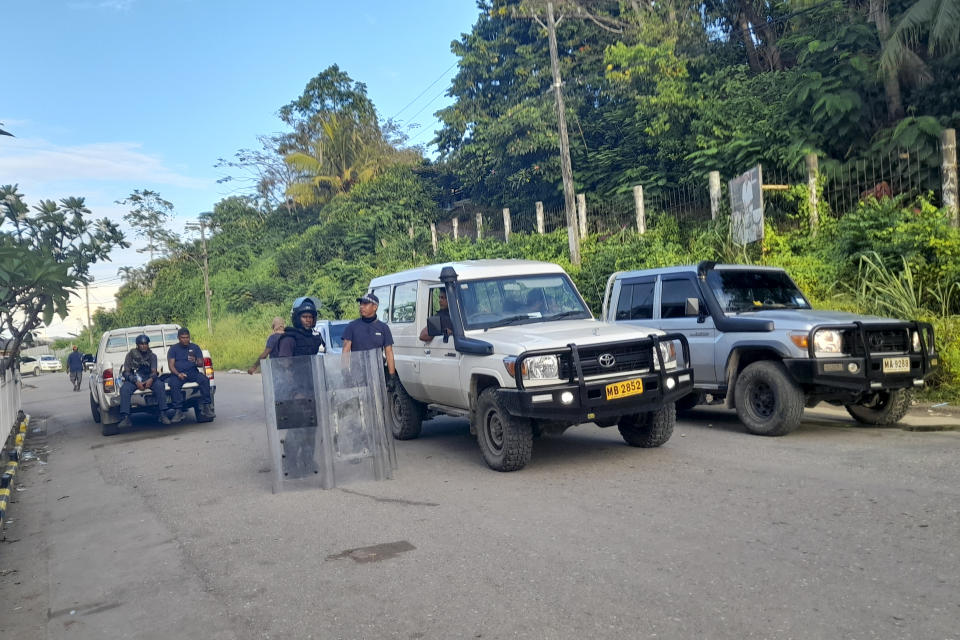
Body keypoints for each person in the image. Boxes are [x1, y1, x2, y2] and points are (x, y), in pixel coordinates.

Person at [273, 297, 326, 478]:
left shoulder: (312, 338)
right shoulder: (289, 339)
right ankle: (291, 463)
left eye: (311, 317)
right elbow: (284, 366)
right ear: (297, 318)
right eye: (304, 316)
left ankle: (307, 461)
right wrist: (295, 392)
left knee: (311, 428)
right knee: (296, 430)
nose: (308, 320)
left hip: (311, 388)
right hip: (294, 392)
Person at [341, 293, 397, 390]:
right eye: (361, 304)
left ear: (375, 307)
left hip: (378, 374)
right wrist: (345, 373)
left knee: (379, 403)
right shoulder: (352, 326)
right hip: (358, 375)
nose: (361, 307)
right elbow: (345, 351)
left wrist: (392, 376)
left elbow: (389, 353)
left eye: (365, 304)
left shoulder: (383, 328)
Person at [118, 334, 169, 428]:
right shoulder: (130, 355)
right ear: (137, 345)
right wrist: (135, 381)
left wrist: (150, 380)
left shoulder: (152, 356)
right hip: (134, 378)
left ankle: (163, 414)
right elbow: (126, 372)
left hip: (148, 377)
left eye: (145, 344)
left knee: (160, 385)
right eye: (141, 344)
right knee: (124, 389)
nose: (144, 346)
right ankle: (126, 417)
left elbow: (154, 371)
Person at [166, 327, 213, 423]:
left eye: (187, 337)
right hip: (178, 374)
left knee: (204, 380)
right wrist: (178, 374)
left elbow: (200, 363)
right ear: (179, 338)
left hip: (192, 372)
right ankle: (178, 411)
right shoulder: (173, 349)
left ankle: (207, 408)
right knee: (173, 384)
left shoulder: (195, 347)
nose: (185, 339)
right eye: (183, 337)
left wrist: (195, 360)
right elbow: (171, 366)